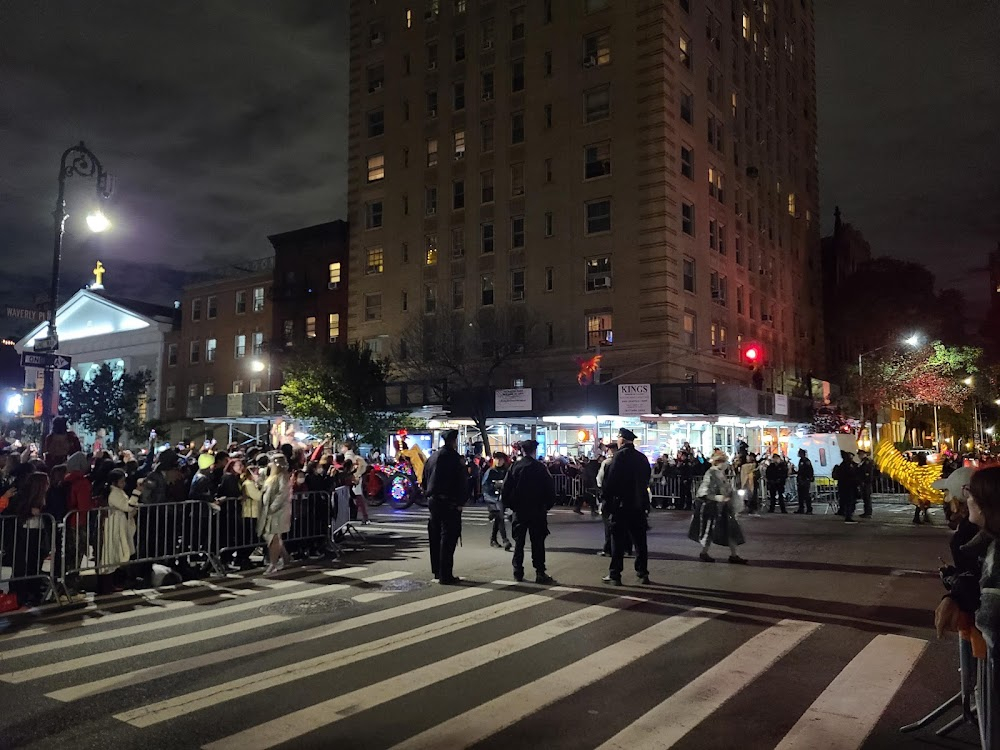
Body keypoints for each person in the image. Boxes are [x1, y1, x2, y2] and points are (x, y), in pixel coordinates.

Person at [601, 428, 652, 586]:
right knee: (640, 541)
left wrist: (607, 503)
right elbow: (646, 480)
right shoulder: (642, 458)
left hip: (621, 505)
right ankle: (642, 572)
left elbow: (610, 482)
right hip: (638, 505)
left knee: (618, 541)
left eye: (618, 438)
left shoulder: (618, 457)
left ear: (622, 439)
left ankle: (615, 574)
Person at [502, 440, 556, 584]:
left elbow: (506, 489)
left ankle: (517, 570)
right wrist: (547, 505)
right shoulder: (540, 467)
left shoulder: (514, 467)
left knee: (519, 543)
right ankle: (540, 572)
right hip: (537, 510)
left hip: (520, 510)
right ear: (534, 451)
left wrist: (511, 505)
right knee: (537, 543)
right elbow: (550, 489)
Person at [420, 430, 466, 584]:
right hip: (449, 503)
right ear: (453, 441)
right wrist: (460, 502)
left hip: (433, 501)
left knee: (435, 536)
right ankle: (446, 574)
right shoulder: (454, 458)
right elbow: (461, 482)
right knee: (448, 538)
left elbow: (424, 479)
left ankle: (437, 571)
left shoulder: (432, 457)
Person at [689, 450, 748, 564]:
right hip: (712, 506)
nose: (726, 464)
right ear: (718, 462)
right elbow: (705, 491)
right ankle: (705, 552)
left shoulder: (719, 473)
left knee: (731, 529)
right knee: (710, 529)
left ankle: (733, 554)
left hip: (723, 506)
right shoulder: (711, 473)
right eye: (724, 461)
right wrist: (717, 498)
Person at [101, 468, 137, 590]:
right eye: (122, 481)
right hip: (115, 525)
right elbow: (127, 506)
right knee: (114, 553)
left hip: (118, 524)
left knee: (117, 553)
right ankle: (109, 584)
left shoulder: (116, 491)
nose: (124, 484)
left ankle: (113, 583)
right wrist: (137, 493)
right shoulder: (115, 493)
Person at [258, 453, 292, 575]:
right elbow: (262, 486)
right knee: (271, 536)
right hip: (270, 511)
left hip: (278, 512)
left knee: (273, 537)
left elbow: (282, 494)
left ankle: (273, 564)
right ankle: (285, 557)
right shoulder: (270, 476)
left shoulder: (282, 476)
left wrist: (272, 507)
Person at [482, 452, 512, 550]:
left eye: (501, 459)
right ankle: (505, 539)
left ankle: (493, 539)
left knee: (498, 518)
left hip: (502, 498)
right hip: (492, 499)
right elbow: (485, 487)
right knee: (500, 516)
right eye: (497, 459)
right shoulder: (490, 471)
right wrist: (494, 487)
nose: (498, 461)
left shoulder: (506, 471)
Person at [833, 451, 860, 524]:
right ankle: (848, 516)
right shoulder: (848, 465)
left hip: (844, 486)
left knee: (845, 501)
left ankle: (845, 513)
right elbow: (852, 474)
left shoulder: (843, 465)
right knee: (850, 502)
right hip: (849, 486)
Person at [795, 448, 815, 514]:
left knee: (806, 495)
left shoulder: (806, 461)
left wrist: (808, 478)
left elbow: (809, 471)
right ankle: (801, 508)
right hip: (801, 480)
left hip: (805, 480)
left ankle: (809, 509)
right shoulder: (801, 460)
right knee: (800, 495)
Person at [857, 449, 875, 518]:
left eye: (860, 454)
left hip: (866, 483)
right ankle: (866, 512)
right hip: (863, 482)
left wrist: (865, 481)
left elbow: (867, 472)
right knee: (865, 498)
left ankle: (868, 513)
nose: (859, 456)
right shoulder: (862, 461)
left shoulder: (867, 462)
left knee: (867, 498)